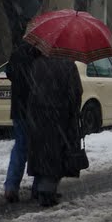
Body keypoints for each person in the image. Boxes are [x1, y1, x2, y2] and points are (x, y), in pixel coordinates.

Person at [26, 55, 84, 207]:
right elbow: (76, 92)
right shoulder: (68, 64)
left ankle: (39, 189)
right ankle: (46, 192)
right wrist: (73, 111)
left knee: (42, 153)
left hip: (38, 116)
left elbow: (30, 88)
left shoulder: (37, 63)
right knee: (56, 155)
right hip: (60, 117)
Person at [3, 39, 41, 202]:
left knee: (20, 147)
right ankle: (39, 187)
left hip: (19, 108)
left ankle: (11, 186)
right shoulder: (43, 55)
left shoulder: (17, 53)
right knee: (41, 148)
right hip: (39, 109)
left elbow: (9, 73)